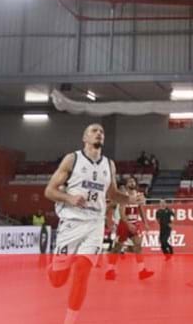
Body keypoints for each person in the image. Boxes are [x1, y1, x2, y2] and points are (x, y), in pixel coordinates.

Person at [43, 123, 135, 324]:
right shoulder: (72, 159)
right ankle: (54, 268)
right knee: (58, 281)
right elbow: (49, 191)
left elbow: (112, 195)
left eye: (102, 131)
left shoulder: (109, 164)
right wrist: (69, 198)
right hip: (71, 223)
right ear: (85, 138)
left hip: (94, 224)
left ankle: (70, 321)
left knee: (82, 272)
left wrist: (130, 199)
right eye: (94, 131)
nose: (99, 133)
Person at [104, 176, 154, 280]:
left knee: (138, 246)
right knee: (117, 248)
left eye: (133, 181)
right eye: (129, 182)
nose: (132, 183)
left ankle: (142, 271)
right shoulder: (124, 196)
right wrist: (128, 224)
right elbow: (122, 213)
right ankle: (109, 270)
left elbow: (141, 209)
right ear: (126, 185)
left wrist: (146, 223)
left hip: (134, 223)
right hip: (124, 224)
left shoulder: (138, 195)